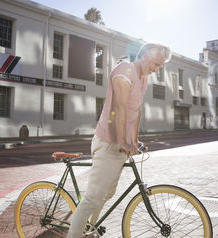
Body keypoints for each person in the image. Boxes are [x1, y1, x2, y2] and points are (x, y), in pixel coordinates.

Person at [67, 42, 172, 238]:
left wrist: (134, 139)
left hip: (120, 145)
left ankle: (90, 229)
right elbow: (119, 108)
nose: (157, 69)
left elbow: (136, 109)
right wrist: (124, 141)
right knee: (92, 198)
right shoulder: (124, 70)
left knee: (107, 194)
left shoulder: (143, 78)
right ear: (146, 55)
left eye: (160, 66)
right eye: (157, 64)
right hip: (108, 143)